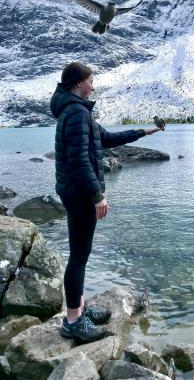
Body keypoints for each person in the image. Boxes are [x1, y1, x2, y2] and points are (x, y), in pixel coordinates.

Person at [50, 61, 162, 343]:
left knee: (81, 254)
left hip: (74, 191)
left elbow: (106, 138)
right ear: (78, 83)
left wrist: (144, 132)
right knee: (78, 256)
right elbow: (78, 161)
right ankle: (73, 321)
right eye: (90, 81)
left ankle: (80, 307)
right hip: (79, 194)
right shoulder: (76, 113)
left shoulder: (76, 111)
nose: (93, 86)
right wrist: (97, 195)